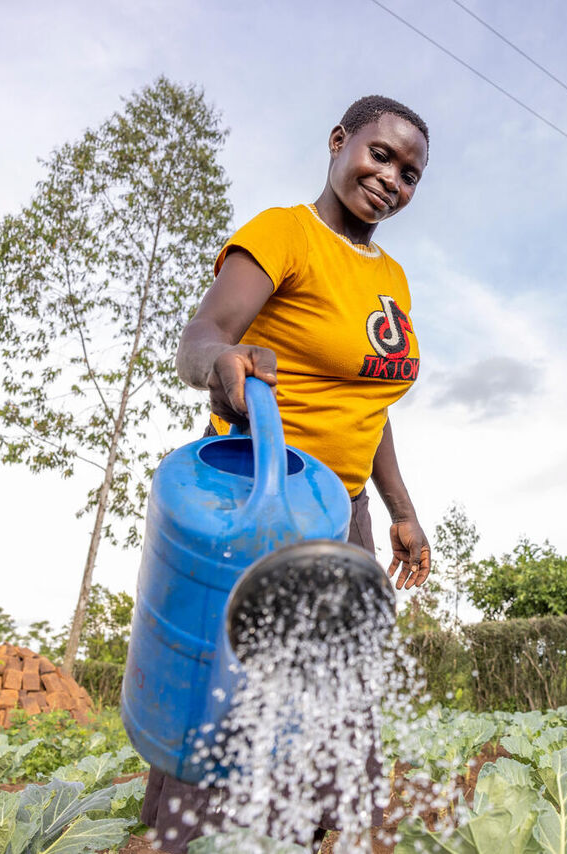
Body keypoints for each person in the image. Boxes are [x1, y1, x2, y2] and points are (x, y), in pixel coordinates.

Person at [140, 95, 434, 853]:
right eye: (379, 154)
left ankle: (305, 837)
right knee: (236, 700)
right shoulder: (284, 233)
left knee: (336, 698)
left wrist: (400, 509)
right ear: (339, 142)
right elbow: (203, 335)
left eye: (409, 173)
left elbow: (371, 400)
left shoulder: (393, 276)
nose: (391, 179)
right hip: (259, 497)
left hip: (342, 510)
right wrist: (221, 368)